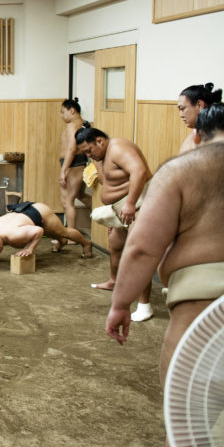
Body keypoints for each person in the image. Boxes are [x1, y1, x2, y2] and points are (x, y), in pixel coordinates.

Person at [104, 102, 224, 447]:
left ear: (200, 135)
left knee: (189, 425)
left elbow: (141, 248)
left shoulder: (183, 169)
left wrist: (120, 304)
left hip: (208, 317)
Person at [77, 126, 155, 320]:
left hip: (138, 203)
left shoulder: (118, 147)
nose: (88, 155)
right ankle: (114, 281)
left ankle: (145, 305)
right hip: (121, 209)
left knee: (138, 252)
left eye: (89, 150)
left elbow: (140, 171)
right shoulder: (101, 157)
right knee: (116, 244)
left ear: (100, 141)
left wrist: (129, 204)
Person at [0, 200, 92, 259]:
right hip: (22, 210)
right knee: (52, 232)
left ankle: (86, 244)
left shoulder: (15, 235)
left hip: (39, 212)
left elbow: (38, 231)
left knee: (62, 232)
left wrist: (30, 249)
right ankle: (61, 242)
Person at [57, 98, 92, 231]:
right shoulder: (83, 123)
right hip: (78, 163)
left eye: (63, 112)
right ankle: (100, 211)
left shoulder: (73, 125)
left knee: (67, 201)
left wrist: (63, 170)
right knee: (80, 195)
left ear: (72, 110)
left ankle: (71, 235)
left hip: (73, 165)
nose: (62, 115)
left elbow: (72, 148)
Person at [176, 82, 222, 155]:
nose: (181, 115)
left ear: (199, 105)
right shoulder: (196, 132)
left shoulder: (217, 136)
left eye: (182, 108)